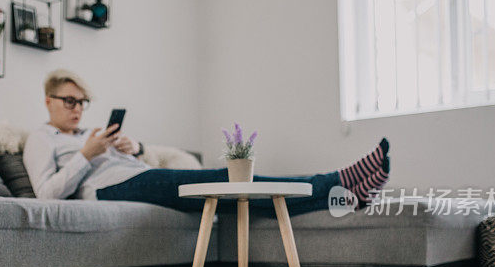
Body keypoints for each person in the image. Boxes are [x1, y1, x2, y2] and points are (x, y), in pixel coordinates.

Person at [23, 69, 390, 217]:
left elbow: (133, 162)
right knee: (223, 178)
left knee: (236, 200)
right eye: (69, 101)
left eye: (82, 102)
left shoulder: (89, 136)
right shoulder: (40, 138)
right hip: (109, 189)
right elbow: (45, 194)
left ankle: (345, 197)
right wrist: (86, 156)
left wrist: (132, 149)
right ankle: (336, 180)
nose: (77, 109)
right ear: (48, 101)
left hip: (137, 175)